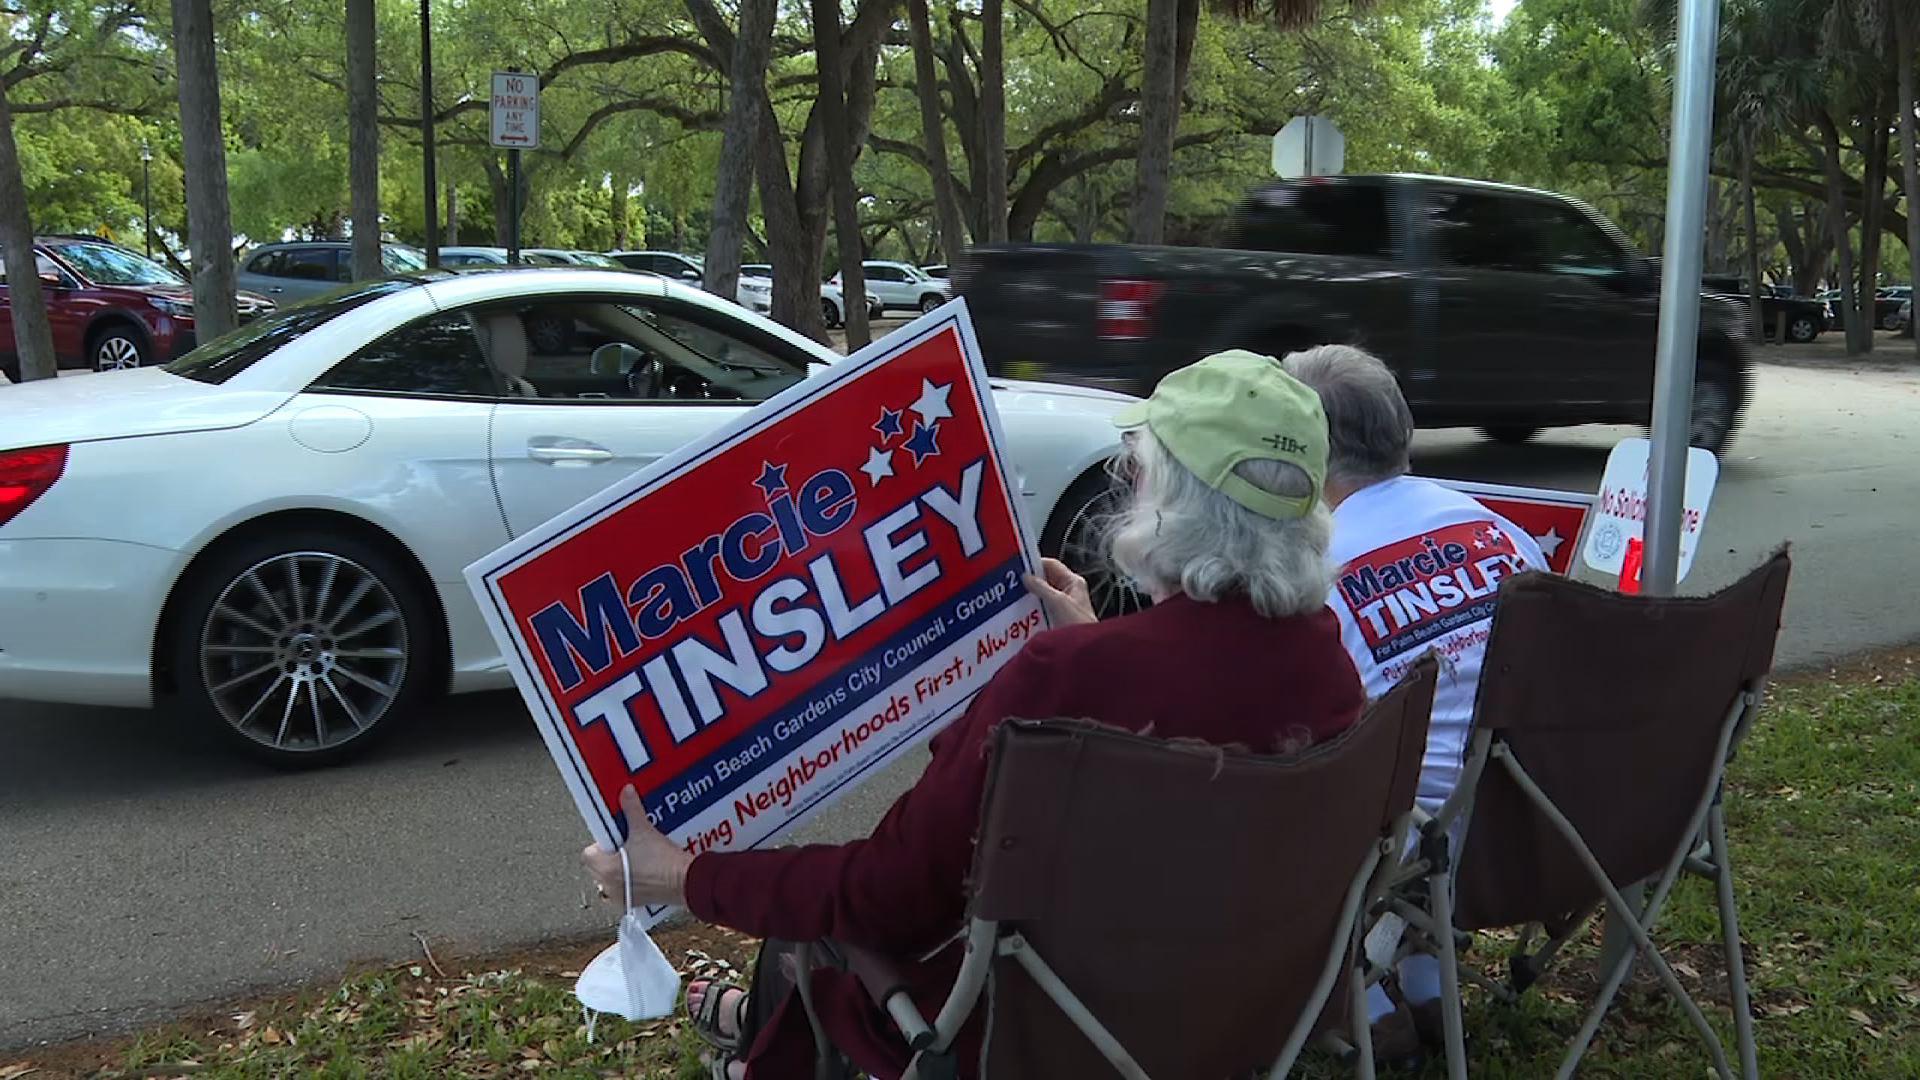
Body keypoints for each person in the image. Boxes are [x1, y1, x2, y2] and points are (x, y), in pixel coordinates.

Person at [583, 349, 1366, 1079]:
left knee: (802, 930)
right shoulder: (1327, 667)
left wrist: (684, 876)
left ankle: (756, 1040)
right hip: (1242, 1014)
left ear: (1169, 504)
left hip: (1046, 1034)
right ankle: (753, 1029)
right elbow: (1200, 695)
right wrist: (1101, 645)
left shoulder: (1066, 677)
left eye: (1140, 470)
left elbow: (885, 894)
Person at [1280, 344, 1548, 1059]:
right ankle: (1428, 984)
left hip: (1405, 849)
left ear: (1301, 448)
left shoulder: (1311, 576)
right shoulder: (1507, 535)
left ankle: (1361, 995)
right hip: (1535, 836)